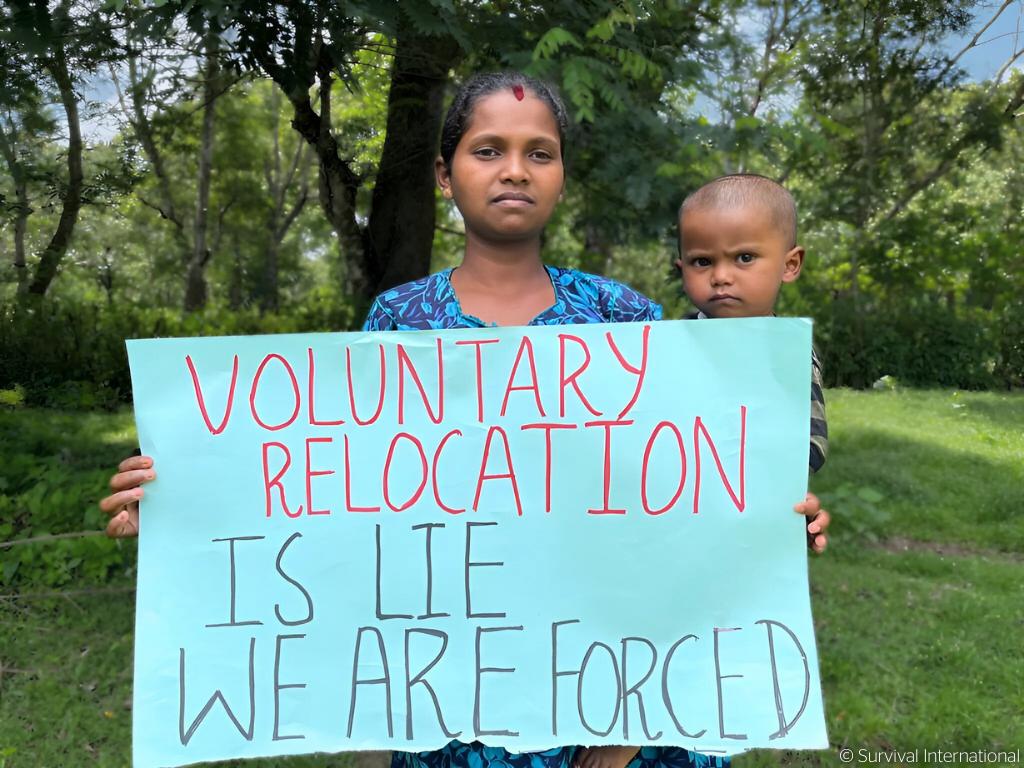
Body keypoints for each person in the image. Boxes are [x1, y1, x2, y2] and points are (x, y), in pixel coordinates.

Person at [101, 74, 830, 768]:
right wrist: (181, 496)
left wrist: (768, 512)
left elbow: (688, 490)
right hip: (457, 691)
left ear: (562, 176)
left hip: (609, 700)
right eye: (488, 150)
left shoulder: (623, 319)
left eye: (539, 153)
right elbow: (343, 484)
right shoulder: (398, 321)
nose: (515, 169)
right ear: (446, 176)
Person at [676, 173, 829, 488]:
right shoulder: (668, 346)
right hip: (678, 499)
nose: (720, 276)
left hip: (754, 502)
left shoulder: (790, 352)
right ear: (682, 269)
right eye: (702, 262)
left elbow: (813, 446)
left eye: (744, 258)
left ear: (790, 265)